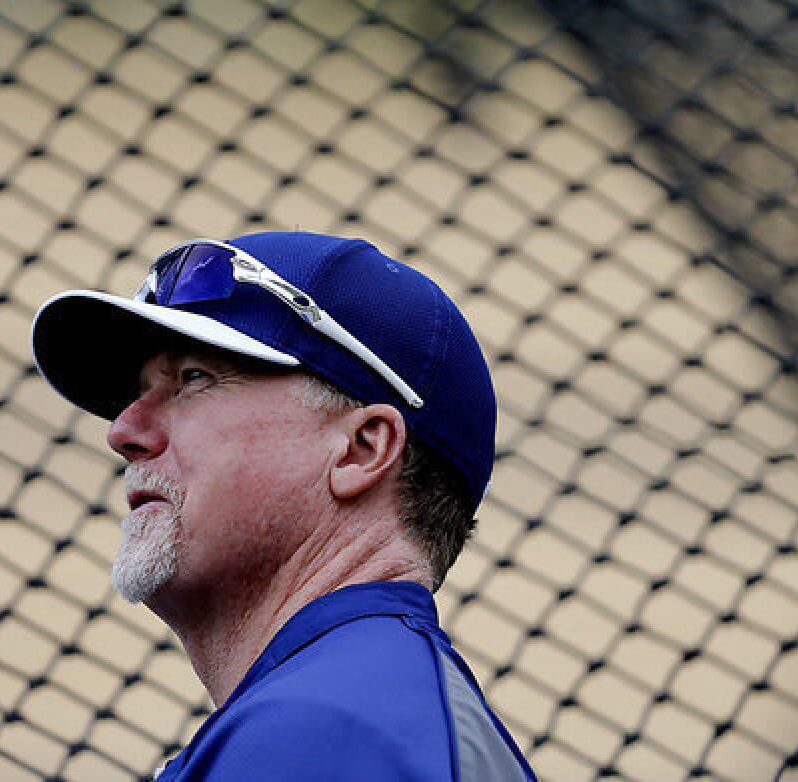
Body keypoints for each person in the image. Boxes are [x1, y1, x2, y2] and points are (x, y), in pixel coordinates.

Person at [31, 232, 536, 781]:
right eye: (139, 390)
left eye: (194, 379)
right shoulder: (358, 708)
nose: (124, 430)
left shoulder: (328, 730)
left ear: (362, 449)